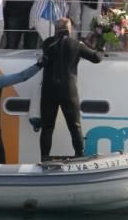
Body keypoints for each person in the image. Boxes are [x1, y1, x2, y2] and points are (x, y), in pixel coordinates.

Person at [39, 18, 102, 160]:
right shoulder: (76, 44)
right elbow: (96, 58)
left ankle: (44, 157)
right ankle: (79, 155)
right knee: (75, 126)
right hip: (68, 90)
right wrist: (101, 47)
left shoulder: (47, 43)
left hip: (49, 90)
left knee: (47, 127)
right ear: (69, 29)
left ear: (55, 29)